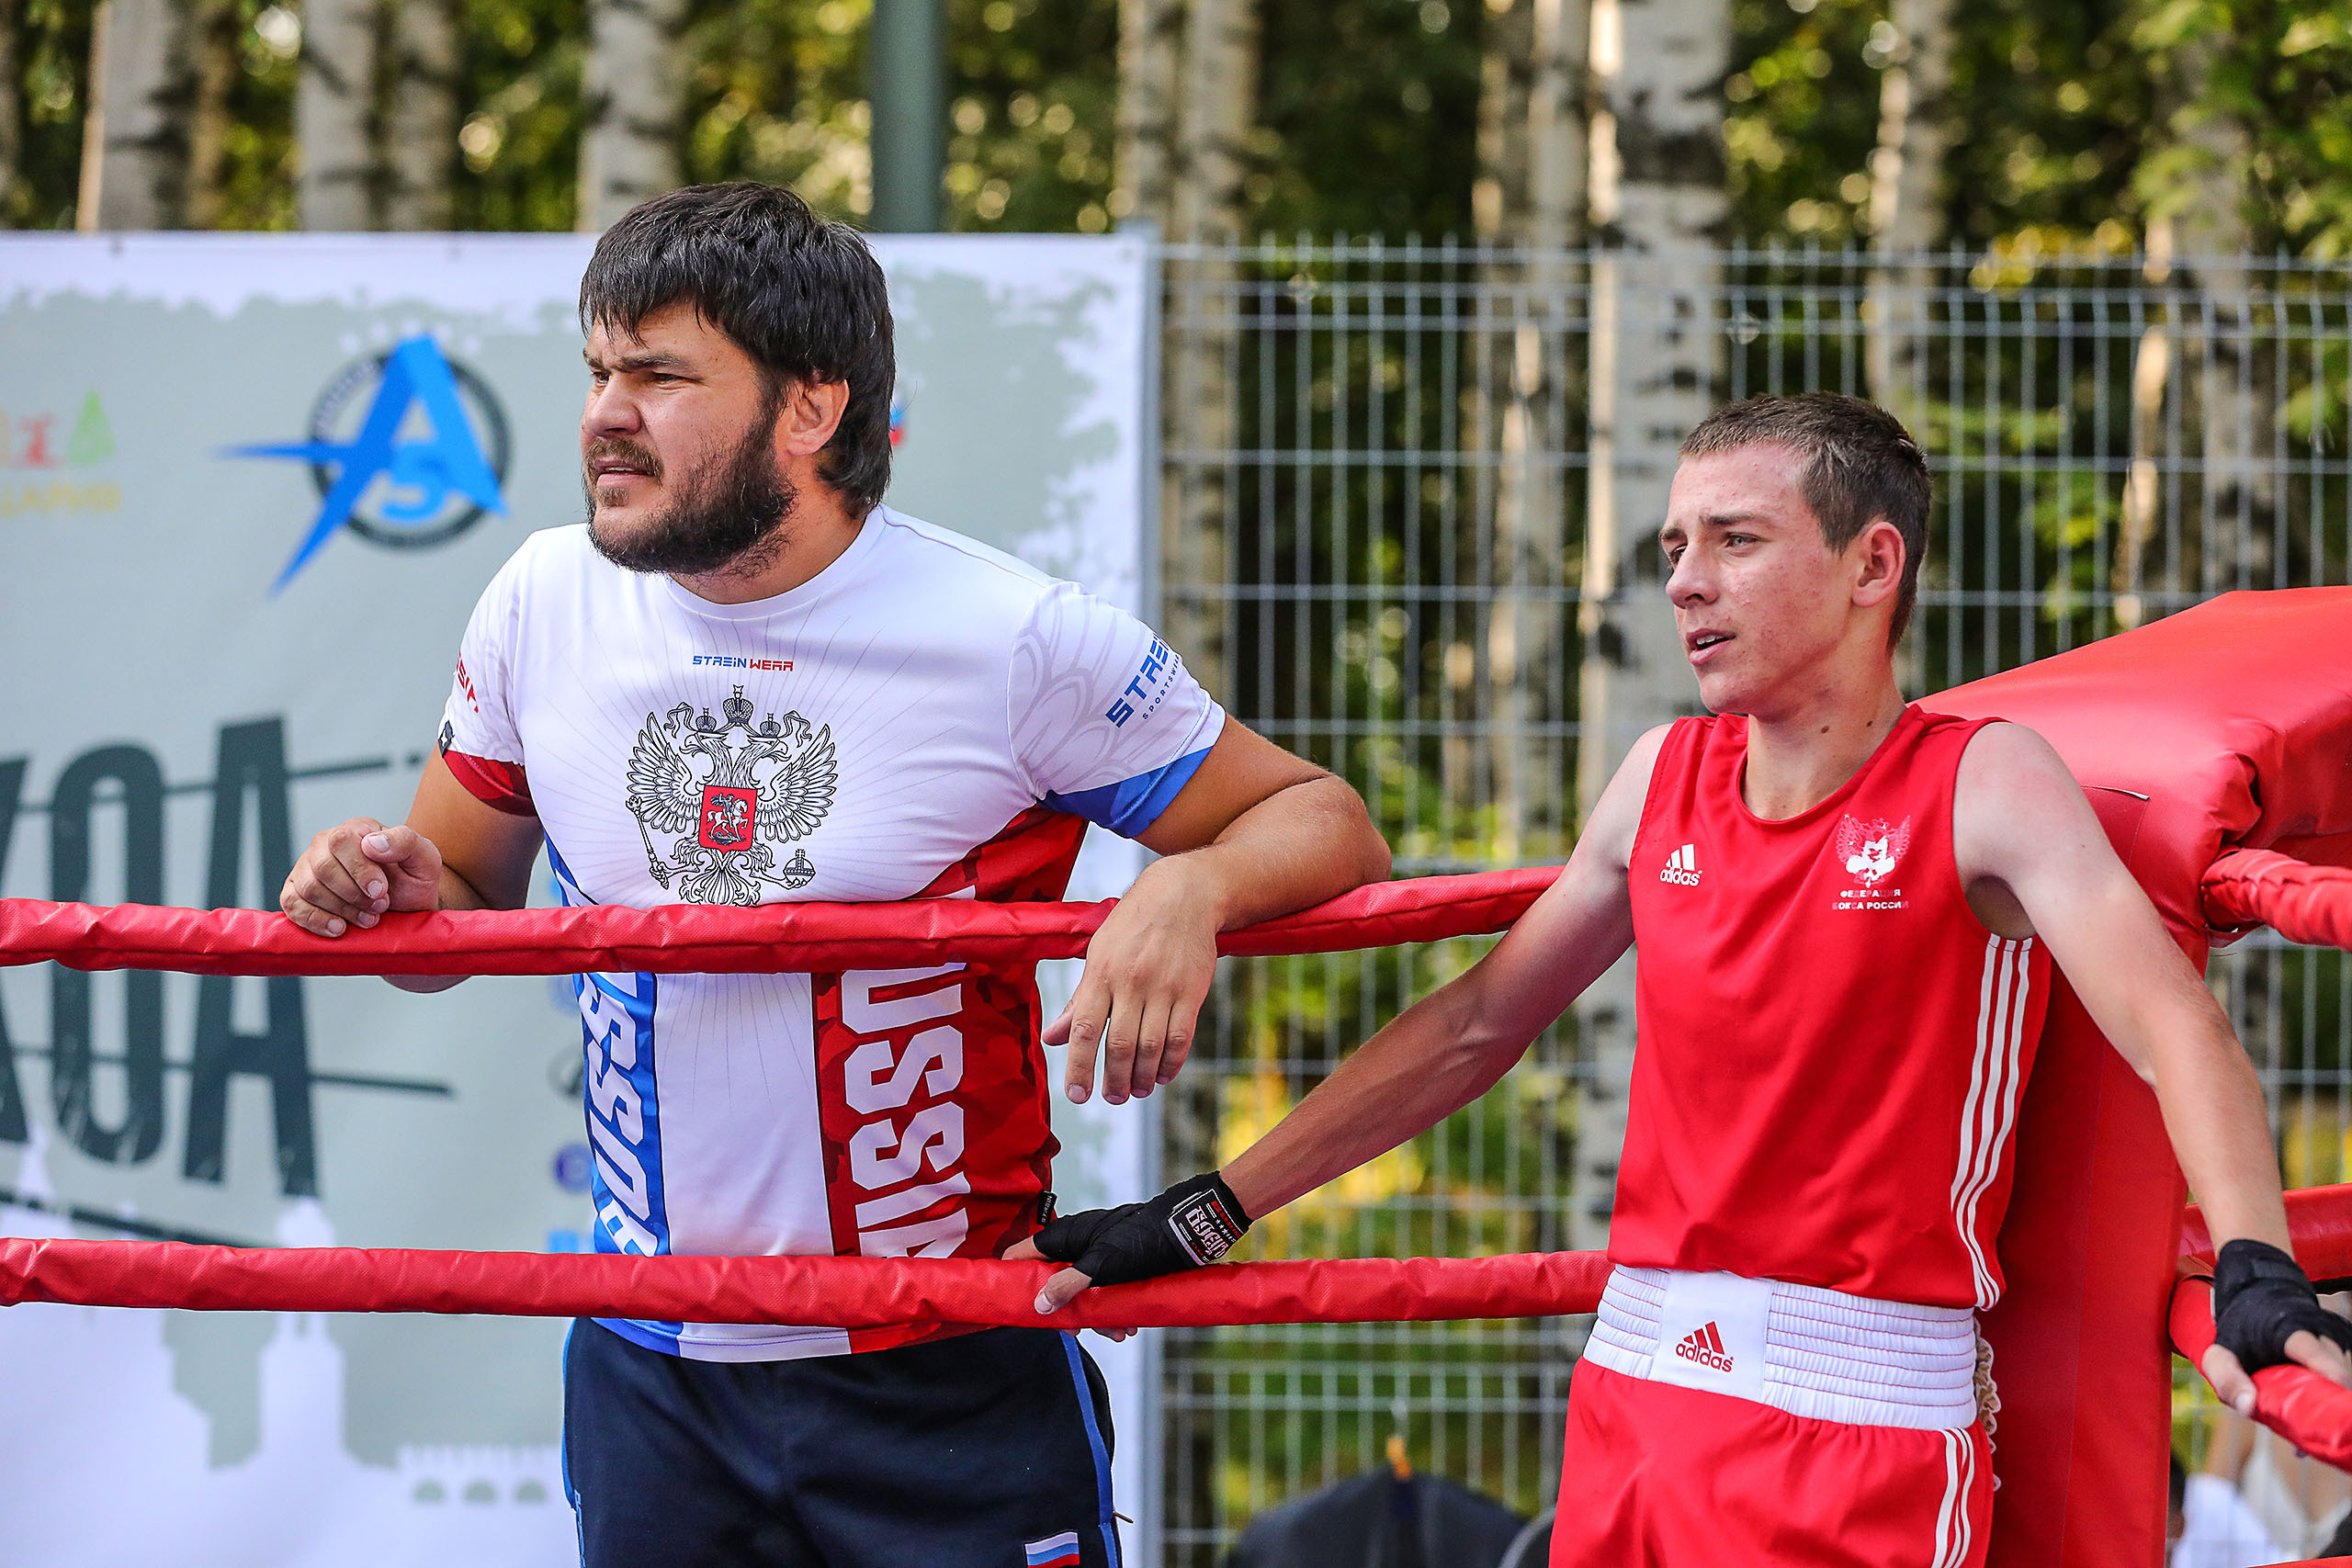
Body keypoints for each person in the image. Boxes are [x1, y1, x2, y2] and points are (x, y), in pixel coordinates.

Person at [1012, 392, 2352, 1565]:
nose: (1685, 583)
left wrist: (2254, 1261)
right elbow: (1480, 1021)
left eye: (1735, 540)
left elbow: (2172, 1021)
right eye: (1673, 547)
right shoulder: (1663, 776)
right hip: (1636, 1396)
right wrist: (1205, 1210)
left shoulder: (1980, 783)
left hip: (1859, 1424)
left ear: (1872, 563)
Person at [277, 182, 1389, 1568]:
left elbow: (1324, 819)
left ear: (809, 410)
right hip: (654, 1365)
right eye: (598, 370)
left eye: (661, 375)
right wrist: (373, 873)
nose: (604, 415)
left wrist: (1190, 887)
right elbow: (452, 876)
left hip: (942, 1365)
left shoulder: (1009, 636)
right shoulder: (539, 598)